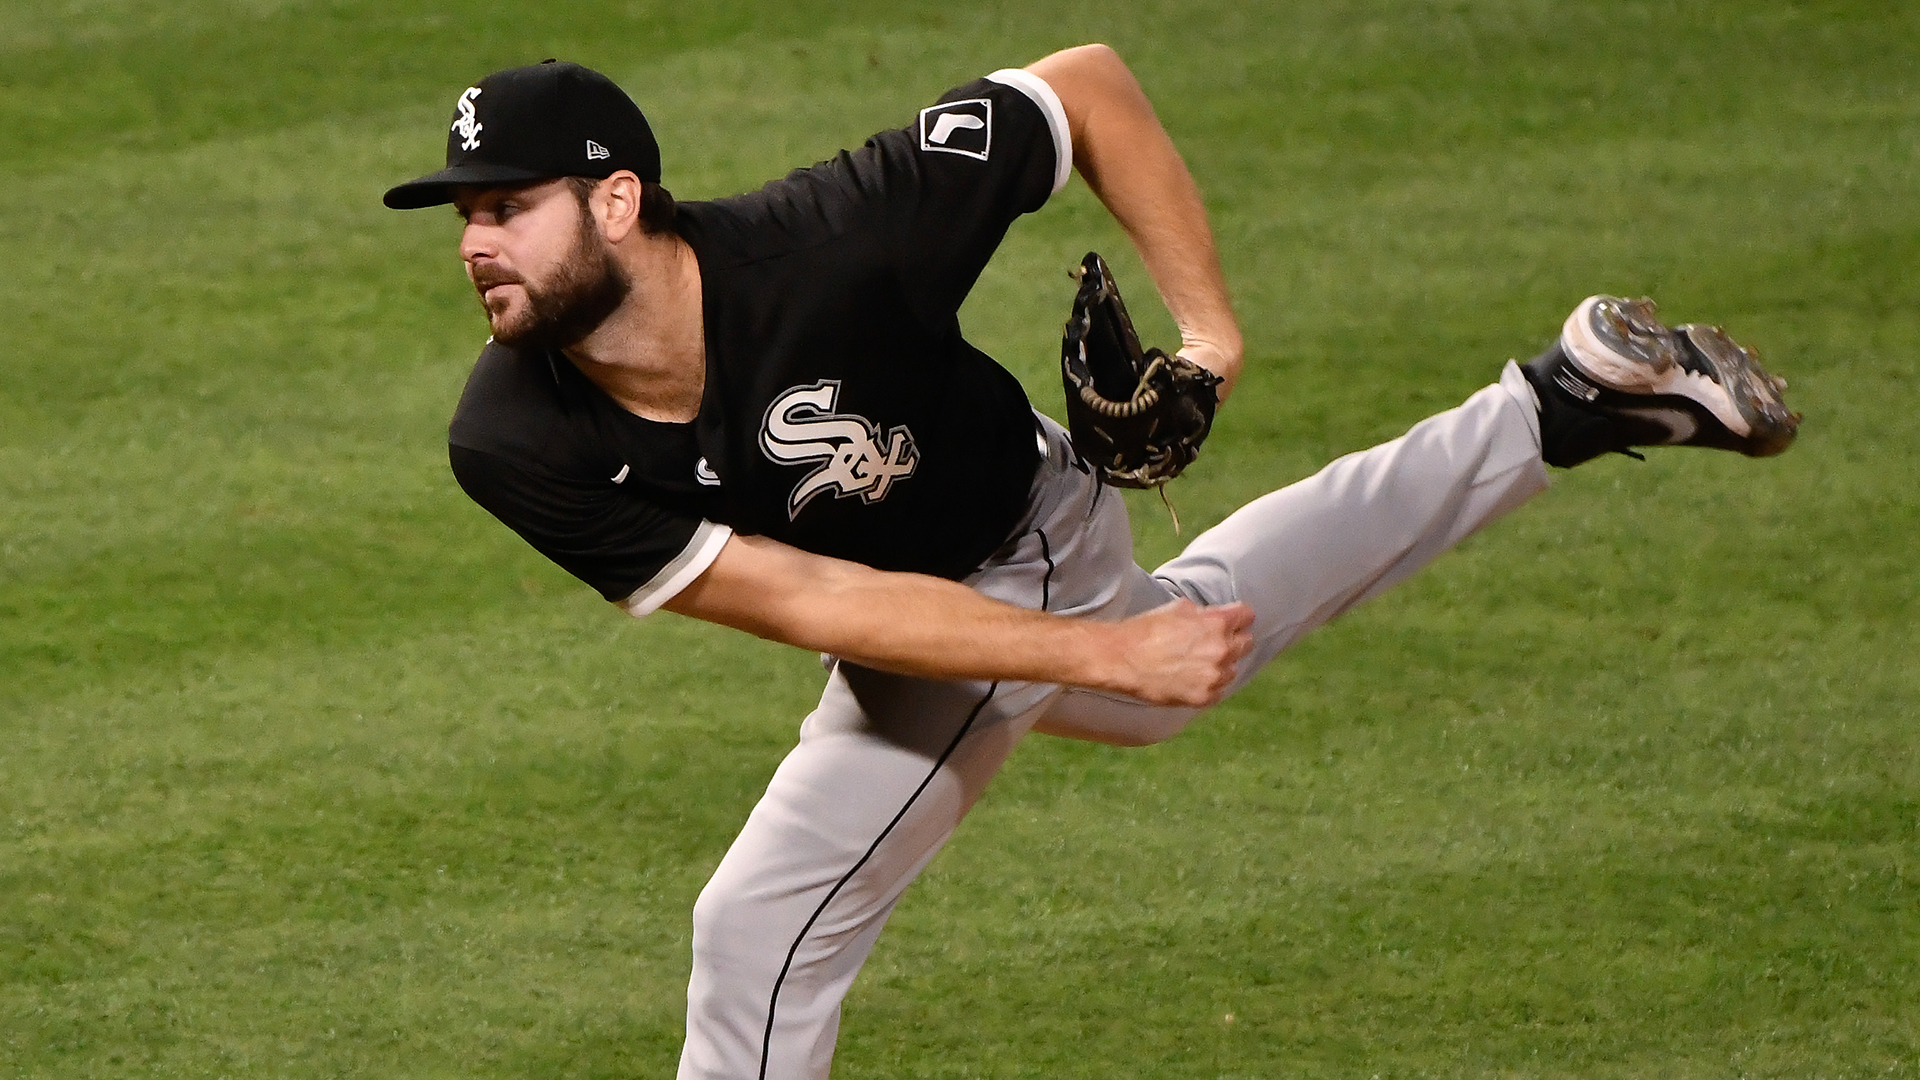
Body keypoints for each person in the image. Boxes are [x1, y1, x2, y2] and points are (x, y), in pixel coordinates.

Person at [383, 47, 1797, 1080]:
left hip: (1022, 537)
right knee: (1162, 658)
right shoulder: (512, 434)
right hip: (917, 593)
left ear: (618, 202)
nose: (475, 243)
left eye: (506, 206)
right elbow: (811, 598)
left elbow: (1088, 93)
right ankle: (1559, 402)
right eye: (462, 217)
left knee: (762, 926)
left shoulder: (839, 239)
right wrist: (1100, 658)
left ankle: (1545, 413)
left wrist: (1209, 340)